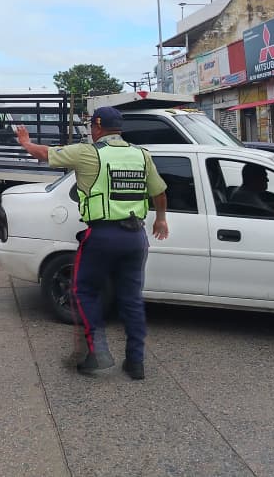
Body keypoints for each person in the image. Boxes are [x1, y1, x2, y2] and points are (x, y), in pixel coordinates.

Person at [15, 106, 168, 381]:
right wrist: (161, 220)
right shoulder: (141, 155)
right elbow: (159, 191)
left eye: (91, 127)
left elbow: (45, 154)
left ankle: (97, 354)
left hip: (102, 236)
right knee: (132, 300)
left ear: (97, 128)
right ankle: (135, 363)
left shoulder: (89, 152)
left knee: (84, 291)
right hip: (136, 238)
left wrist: (26, 143)